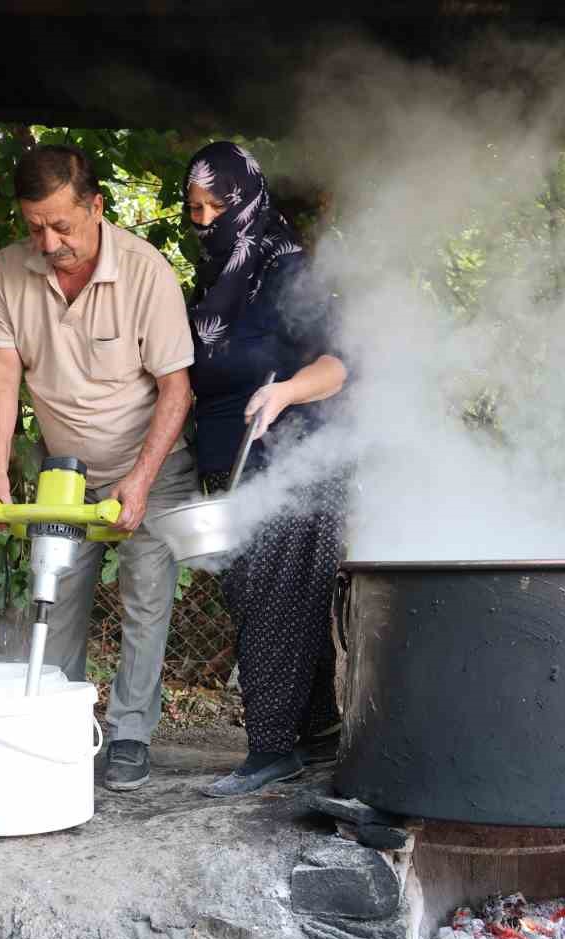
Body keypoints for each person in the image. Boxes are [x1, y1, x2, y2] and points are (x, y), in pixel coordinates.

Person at [0, 144, 195, 792]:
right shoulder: (9, 270)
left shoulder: (146, 271)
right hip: (63, 472)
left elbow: (176, 389)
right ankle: (58, 726)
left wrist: (140, 480)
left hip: (147, 462)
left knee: (145, 598)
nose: (48, 241)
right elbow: (2, 373)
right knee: (56, 596)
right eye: (34, 225)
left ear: (96, 206)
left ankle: (128, 734)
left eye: (62, 225)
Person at [182, 141, 350, 798]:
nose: (201, 221)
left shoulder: (289, 274)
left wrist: (283, 393)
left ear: (246, 202)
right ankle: (318, 733)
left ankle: (271, 750)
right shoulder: (211, 281)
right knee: (269, 593)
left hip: (297, 459)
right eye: (192, 208)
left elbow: (337, 365)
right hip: (235, 466)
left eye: (213, 207)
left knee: (271, 599)